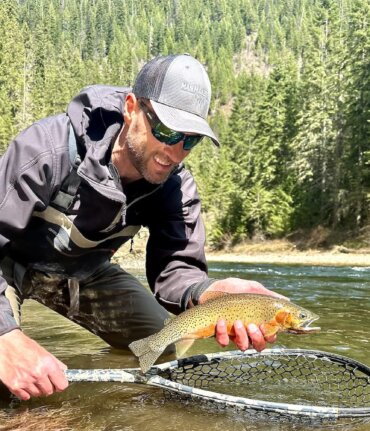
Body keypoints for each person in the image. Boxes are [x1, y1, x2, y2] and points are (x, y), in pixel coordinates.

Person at [0, 54, 280, 401]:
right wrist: (4, 336)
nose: (175, 152)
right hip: (8, 266)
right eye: (165, 130)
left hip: (83, 274)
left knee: (161, 346)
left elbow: (177, 274)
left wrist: (213, 293)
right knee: (7, 376)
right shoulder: (50, 149)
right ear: (132, 107)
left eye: (189, 139)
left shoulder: (176, 188)